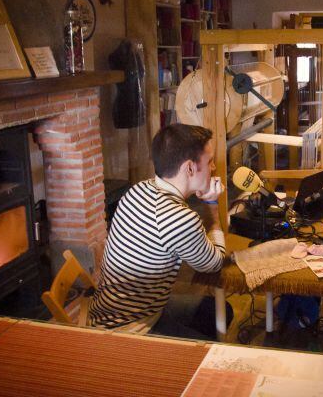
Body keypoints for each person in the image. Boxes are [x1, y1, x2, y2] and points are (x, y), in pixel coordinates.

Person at [88, 123, 231, 339]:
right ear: (190, 168)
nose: (213, 168)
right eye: (209, 162)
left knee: (218, 311)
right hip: (129, 330)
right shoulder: (180, 219)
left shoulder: (139, 189)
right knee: (207, 346)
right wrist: (212, 204)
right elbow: (214, 263)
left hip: (106, 312)